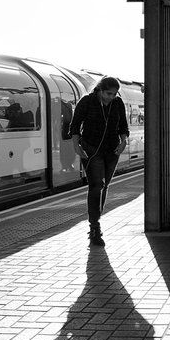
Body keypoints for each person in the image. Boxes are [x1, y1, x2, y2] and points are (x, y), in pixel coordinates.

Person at [68, 76, 129, 246]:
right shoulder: (86, 102)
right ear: (100, 90)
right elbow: (75, 126)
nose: (111, 97)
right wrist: (76, 145)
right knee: (96, 186)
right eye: (108, 93)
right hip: (91, 150)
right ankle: (94, 227)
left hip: (112, 150)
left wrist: (124, 141)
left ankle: (96, 219)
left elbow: (123, 125)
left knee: (105, 186)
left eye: (115, 94)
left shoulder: (118, 103)